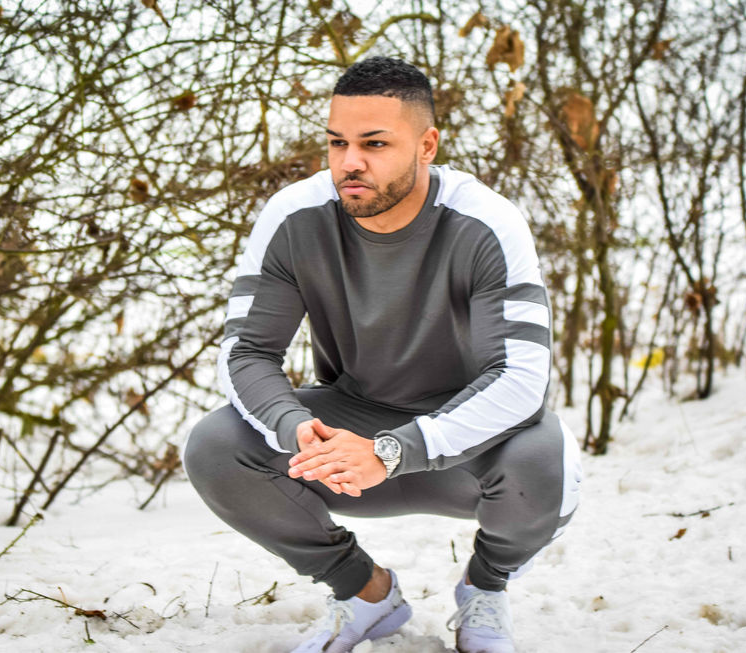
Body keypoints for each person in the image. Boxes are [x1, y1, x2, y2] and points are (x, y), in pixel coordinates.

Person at [184, 56, 582, 653]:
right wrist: (295, 427)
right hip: (351, 424)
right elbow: (247, 351)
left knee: (546, 461)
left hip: (465, 443)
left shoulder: (487, 222)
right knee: (216, 446)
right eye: (337, 142)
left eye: (374, 143)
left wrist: (395, 450)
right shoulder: (294, 217)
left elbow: (521, 379)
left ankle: (485, 588)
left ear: (427, 145)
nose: (350, 162)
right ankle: (365, 595)